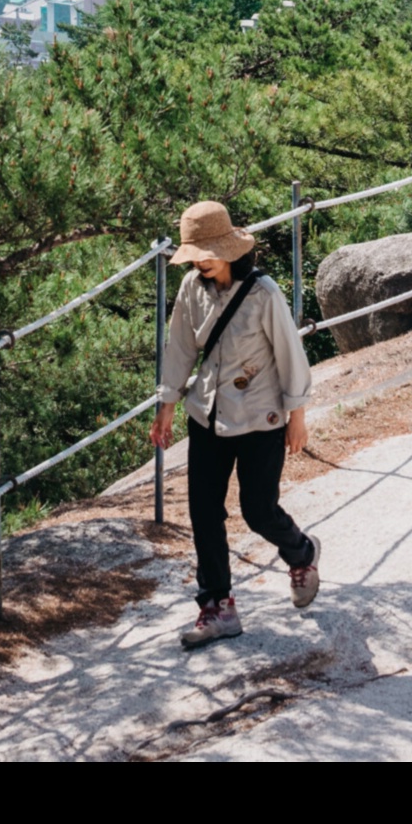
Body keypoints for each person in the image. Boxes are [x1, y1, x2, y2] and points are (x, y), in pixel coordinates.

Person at [151, 199, 320, 648]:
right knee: (204, 512)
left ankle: (300, 552)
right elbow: (180, 350)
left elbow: (290, 353)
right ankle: (217, 606)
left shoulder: (263, 293)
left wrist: (296, 416)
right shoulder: (191, 288)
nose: (200, 262)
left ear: (228, 249)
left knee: (257, 510)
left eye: (205, 254)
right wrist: (167, 406)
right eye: (195, 255)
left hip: (259, 415)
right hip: (206, 412)